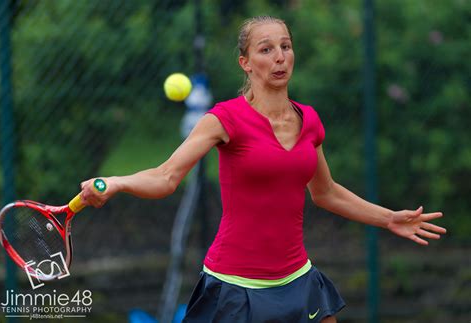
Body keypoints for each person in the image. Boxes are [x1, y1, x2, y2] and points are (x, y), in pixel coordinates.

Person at [81, 16, 447, 323]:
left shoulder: (309, 121)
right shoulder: (224, 119)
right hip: (234, 289)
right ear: (245, 62)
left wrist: (388, 219)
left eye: (286, 47)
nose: (279, 58)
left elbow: (326, 192)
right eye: (266, 49)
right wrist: (117, 182)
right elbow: (166, 177)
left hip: (298, 281)